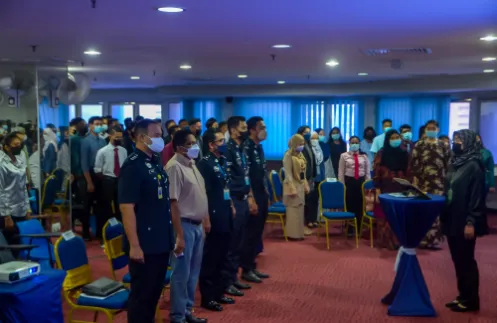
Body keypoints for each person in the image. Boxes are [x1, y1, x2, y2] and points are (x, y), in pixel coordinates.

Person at [119, 119, 181, 323]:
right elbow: (127, 207)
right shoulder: (133, 165)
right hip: (145, 244)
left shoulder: (154, 161)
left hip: (160, 240)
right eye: (155, 135)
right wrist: (135, 245)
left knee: (153, 294)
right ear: (141, 137)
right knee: (142, 297)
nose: (160, 138)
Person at [166, 129, 209, 323]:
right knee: (181, 274)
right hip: (184, 225)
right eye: (191, 143)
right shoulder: (174, 167)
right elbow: (173, 202)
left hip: (197, 226)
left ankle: (187, 311)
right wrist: (179, 235)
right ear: (180, 147)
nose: (195, 146)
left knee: (193, 273)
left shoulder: (192, 164)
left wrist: (205, 220)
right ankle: (177, 316)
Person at [442, 129, 488, 313]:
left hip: (465, 220)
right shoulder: (455, 162)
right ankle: (462, 296)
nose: (456, 142)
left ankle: (471, 300)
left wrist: (471, 222)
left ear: (468, 142)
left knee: (467, 261)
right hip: (452, 217)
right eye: (455, 139)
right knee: (457, 260)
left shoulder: (474, 165)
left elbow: (477, 197)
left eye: (459, 139)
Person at [197, 129, 236, 312]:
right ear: (211, 144)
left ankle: (219, 292)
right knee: (211, 257)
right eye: (220, 141)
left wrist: (232, 205)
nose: (224, 143)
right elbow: (203, 193)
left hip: (225, 210)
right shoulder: (204, 164)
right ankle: (208, 296)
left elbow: (225, 187)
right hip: (213, 214)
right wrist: (206, 218)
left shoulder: (222, 161)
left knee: (223, 255)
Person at [222, 116, 256, 297]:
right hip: (234, 200)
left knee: (239, 242)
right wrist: (231, 203)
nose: (246, 130)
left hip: (243, 198)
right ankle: (227, 281)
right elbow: (226, 180)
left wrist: (249, 196)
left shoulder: (241, 149)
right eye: (243, 127)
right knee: (232, 242)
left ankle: (234, 277)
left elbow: (245, 175)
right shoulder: (227, 150)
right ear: (234, 129)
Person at [240, 116, 270, 284]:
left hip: (261, 193)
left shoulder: (259, 147)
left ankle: (252, 266)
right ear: (252, 129)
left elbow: (262, 173)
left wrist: (266, 193)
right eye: (261, 127)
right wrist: (251, 197)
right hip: (252, 194)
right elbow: (246, 175)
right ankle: (245, 268)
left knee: (258, 232)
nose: (264, 130)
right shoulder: (247, 147)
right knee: (250, 233)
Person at [411, 120, 449, 249]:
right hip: (423, 184)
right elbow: (414, 164)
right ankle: (421, 239)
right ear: (425, 130)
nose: (431, 130)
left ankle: (434, 241)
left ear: (438, 129)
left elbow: (448, 164)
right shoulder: (419, 145)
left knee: (436, 212)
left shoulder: (443, 145)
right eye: (429, 128)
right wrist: (416, 181)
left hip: (438, 183)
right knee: (423, 211)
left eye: (433, 128)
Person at [373, 129, 409, 250]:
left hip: (401, 188)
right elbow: (377, 172)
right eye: (392, 138)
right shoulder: (382, 153)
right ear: (388, 140)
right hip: (385, 188)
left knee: (399, 215)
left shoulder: (404, 153)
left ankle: (398, 241)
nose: (395, 140)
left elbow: (409, 171)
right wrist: (377, 188)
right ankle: (386, 241)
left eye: (397, 137)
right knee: (385, 215)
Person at [0, 133, 31, 245]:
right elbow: (1, 191)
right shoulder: (2, 163)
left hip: (21, 209)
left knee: (21, 242)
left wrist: (27, 208)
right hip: (8, 211)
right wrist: (7, 216)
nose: (19, 147)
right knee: (10, 244)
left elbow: (23, 187)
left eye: (20, 144)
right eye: (15, 144)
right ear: (7, 147)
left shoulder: (19, 160)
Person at [80, 116, 106, 240]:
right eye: (96, 124)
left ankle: (100, 232)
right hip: (89, 175)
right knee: (87, 206)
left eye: (100, 123)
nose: (99, 125)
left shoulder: (103, 141)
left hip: (101, 174)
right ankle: (86, 232)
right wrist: (89, 182)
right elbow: (84, 163)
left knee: (100, 207)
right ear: (90, 125)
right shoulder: (85, 141)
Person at [94, 126, 127, 224]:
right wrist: (105, 179)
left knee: (120, 206)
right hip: (107, 180)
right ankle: (107, 229)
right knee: (107, 207)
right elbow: (97, 169)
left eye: (120, 137)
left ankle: (120, 229)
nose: (119, 139)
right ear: (110, 136)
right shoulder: (102, 151)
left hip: (120, 181)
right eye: (116, 137)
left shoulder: (123, 151)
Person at [338, 136, 371, 234]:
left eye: (356, 142)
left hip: (360, 182)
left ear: (359, 144)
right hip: (349, 182)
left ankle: (359, 228)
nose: (354, 144)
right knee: (350, 204)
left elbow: (367, 172)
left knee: (360, 205)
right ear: (349, 144)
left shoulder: (364, 156)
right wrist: (342, 186)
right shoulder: (344, 156)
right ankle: (350, 228)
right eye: (352, 142)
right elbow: (341, 172)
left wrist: (367, 185)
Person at [282, 134, 309, 240]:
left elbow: (303, 172)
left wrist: (305, 183)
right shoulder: (288, 155)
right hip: (291, 184)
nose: (301, 146)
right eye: (299, 144)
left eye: (303, 144)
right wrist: (292, 187)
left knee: (300, 209)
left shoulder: (300, 154)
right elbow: (288, 173)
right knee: (293, 210)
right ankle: (292, 234)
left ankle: (299, 233)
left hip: (300, 184)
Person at [296, 126, 317, 234]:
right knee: (304, 201)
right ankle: (303, 224)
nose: (308, 134)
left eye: (309, 132)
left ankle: (309, 220)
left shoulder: (308, 144)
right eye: (306, 132)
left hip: (310, 177)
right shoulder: (298, 145)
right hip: (303, 178)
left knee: (310, 199)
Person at [475, 133, 495, 201]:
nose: (476, 140)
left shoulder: (487, 153)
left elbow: (490, 170)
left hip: (483, 182)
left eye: (477, 138)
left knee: (481, 203)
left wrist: (491, 184)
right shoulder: (465, 153)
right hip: (469, 182)